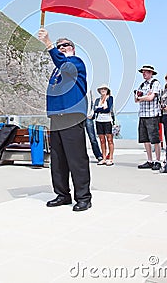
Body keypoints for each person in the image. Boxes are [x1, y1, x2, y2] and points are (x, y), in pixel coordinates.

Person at [38, 28, 92, 211]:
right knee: (58, 159)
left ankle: (83, 197)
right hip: (57, 117)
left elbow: (64, 64)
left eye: (65, 45)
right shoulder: (57, 70)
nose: (62, 48)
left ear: (73, 48)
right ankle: (62, 194)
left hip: (72, 116)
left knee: (76, 158)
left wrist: (49, 44)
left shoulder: (76, 63)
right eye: (59, 46)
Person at [135, 65, 162, 171]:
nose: (144, 74)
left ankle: (158, 160)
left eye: (146, 72)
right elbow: (136, 99)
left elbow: (151, 98)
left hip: (152, 115)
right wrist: (143, 97)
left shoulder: (155, 83)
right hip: (142, 114)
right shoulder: (141, 85)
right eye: (143, 72)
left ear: (151, 73)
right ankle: (150, 160)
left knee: (155, 139)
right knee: (145, 139)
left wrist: (142, 97)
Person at [93, 84, 115, 166]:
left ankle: (111, 158)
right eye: (101, 89)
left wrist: (100, 109)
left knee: (109, 139)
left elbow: (108, 109)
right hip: (99, 120)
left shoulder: (110, 98)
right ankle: (104, 157)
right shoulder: (97, 100)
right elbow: (95, 110)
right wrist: (101, 109)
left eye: (104, 89)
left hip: (107, 120)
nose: (103, 90)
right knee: (102, 140)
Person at [85, 90, 103, 163]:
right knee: (79, 139)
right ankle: (82, 156)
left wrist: (92, 113)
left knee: (92, 138)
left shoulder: (89, 91)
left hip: (88, 117)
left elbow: (93, 103)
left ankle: (98, 155)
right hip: (79, 117)